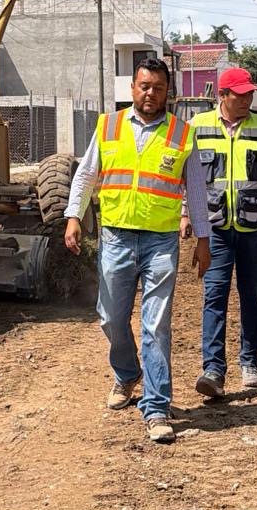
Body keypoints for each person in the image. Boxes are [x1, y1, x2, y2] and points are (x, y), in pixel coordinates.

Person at [64, 57, 212, 444]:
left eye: (158, 88)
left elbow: (195, 188)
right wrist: (73, 216)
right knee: (111, 318)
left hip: (161, 241)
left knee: (156, 325)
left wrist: (203, 239)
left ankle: (157, 406)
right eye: (144, 86)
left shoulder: (182, 133)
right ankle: (128, 374)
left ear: (168, 92)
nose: (151, 94)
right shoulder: (109, 126)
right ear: (132, 89)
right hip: (115, 236)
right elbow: (86, 173)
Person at [181, 67, 257, 398]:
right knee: (214, 296)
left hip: (254, 227)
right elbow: (188, 176)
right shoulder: (198, 127)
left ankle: (250, 363)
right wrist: (186, 214)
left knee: (251, 295)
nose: (247, 99)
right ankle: (213, 370)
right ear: (223, 95)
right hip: (213, 228)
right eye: (240, 94)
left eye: (249, 94)